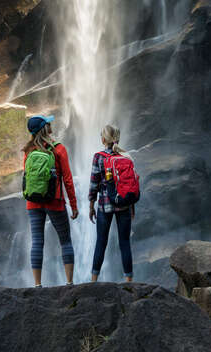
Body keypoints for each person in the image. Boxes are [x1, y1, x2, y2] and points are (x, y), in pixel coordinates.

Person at [22, 115, 78, 286]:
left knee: (37, 241)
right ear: (45, 129)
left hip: (33, 202)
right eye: (48, 123)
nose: (51, 124)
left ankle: (37, 284)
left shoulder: (28, 151)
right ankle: (69, 283)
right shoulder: (58, 149)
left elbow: (27, 176)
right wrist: (74, 205)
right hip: (55, 201)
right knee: (65, 240)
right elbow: (67, 179)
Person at [88, 124, 136, 283]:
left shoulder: (98, 156)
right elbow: (132, 183)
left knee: (101, 241)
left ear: (103, 139)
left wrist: (91, 205)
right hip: (124, 204)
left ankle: (94, 280)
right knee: (124, 242)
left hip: (104, 204)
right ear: (118, 138)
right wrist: (132, 206)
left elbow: (94, 182)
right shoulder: (126, 156)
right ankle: (129, 281)